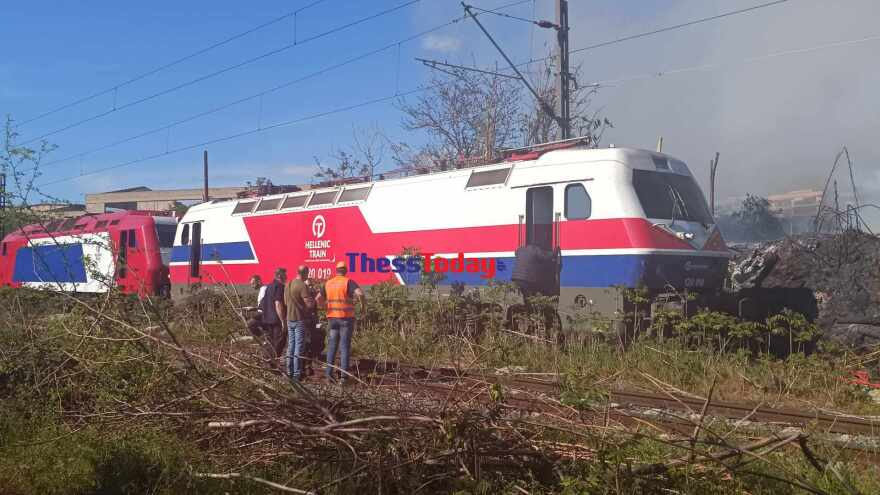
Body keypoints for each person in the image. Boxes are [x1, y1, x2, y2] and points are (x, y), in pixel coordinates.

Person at [319, 261, 365, 383]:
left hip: (332, 319)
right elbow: (360, 293)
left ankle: (329, 374)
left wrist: (325, 308)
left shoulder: (328, 283)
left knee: (332, 346)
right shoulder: (348, 282)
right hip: (345, 319)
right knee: (344, 347)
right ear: (345, 270)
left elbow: (318, 298)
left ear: (336, 270)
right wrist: (363, 307)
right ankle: (344, 377)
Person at [285, 265, 317, 381]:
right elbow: (309, 304)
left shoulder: (288, 284)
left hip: (289, 319)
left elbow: (285, 302)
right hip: (299, 320)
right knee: (299, 347)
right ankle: (297, 374)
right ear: (306, 273)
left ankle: (289, 371)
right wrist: (314, 299)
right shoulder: (302, 285)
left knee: (290, 346)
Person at [259, 268, 288, 368]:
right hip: (276, 320)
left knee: (270, 343)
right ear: (280, 276)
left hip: (267, 319)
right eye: (285, 275)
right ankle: (273, 365)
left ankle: (268, 363)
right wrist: (283, 320)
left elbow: (262, 303)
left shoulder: (269, 287)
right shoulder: (279, 286)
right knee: (279, 342)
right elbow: (278, 303)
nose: (286, 277)